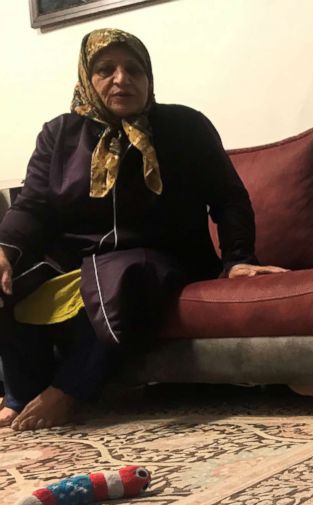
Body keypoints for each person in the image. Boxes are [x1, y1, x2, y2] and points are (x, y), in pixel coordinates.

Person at [0, 28, 284, 432]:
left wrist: (238, 259)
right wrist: (4, 250)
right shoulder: (59, 134)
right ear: (86, 77)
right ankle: (22, 393)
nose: (121, 79)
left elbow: (229, 198)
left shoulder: (185, 127)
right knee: (10, 282)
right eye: (105, 69)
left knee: (123, 276)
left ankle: (68, 392)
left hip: (161, 258)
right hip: (78, 261)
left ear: (149, 78)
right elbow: (32, 206)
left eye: (134, 69)